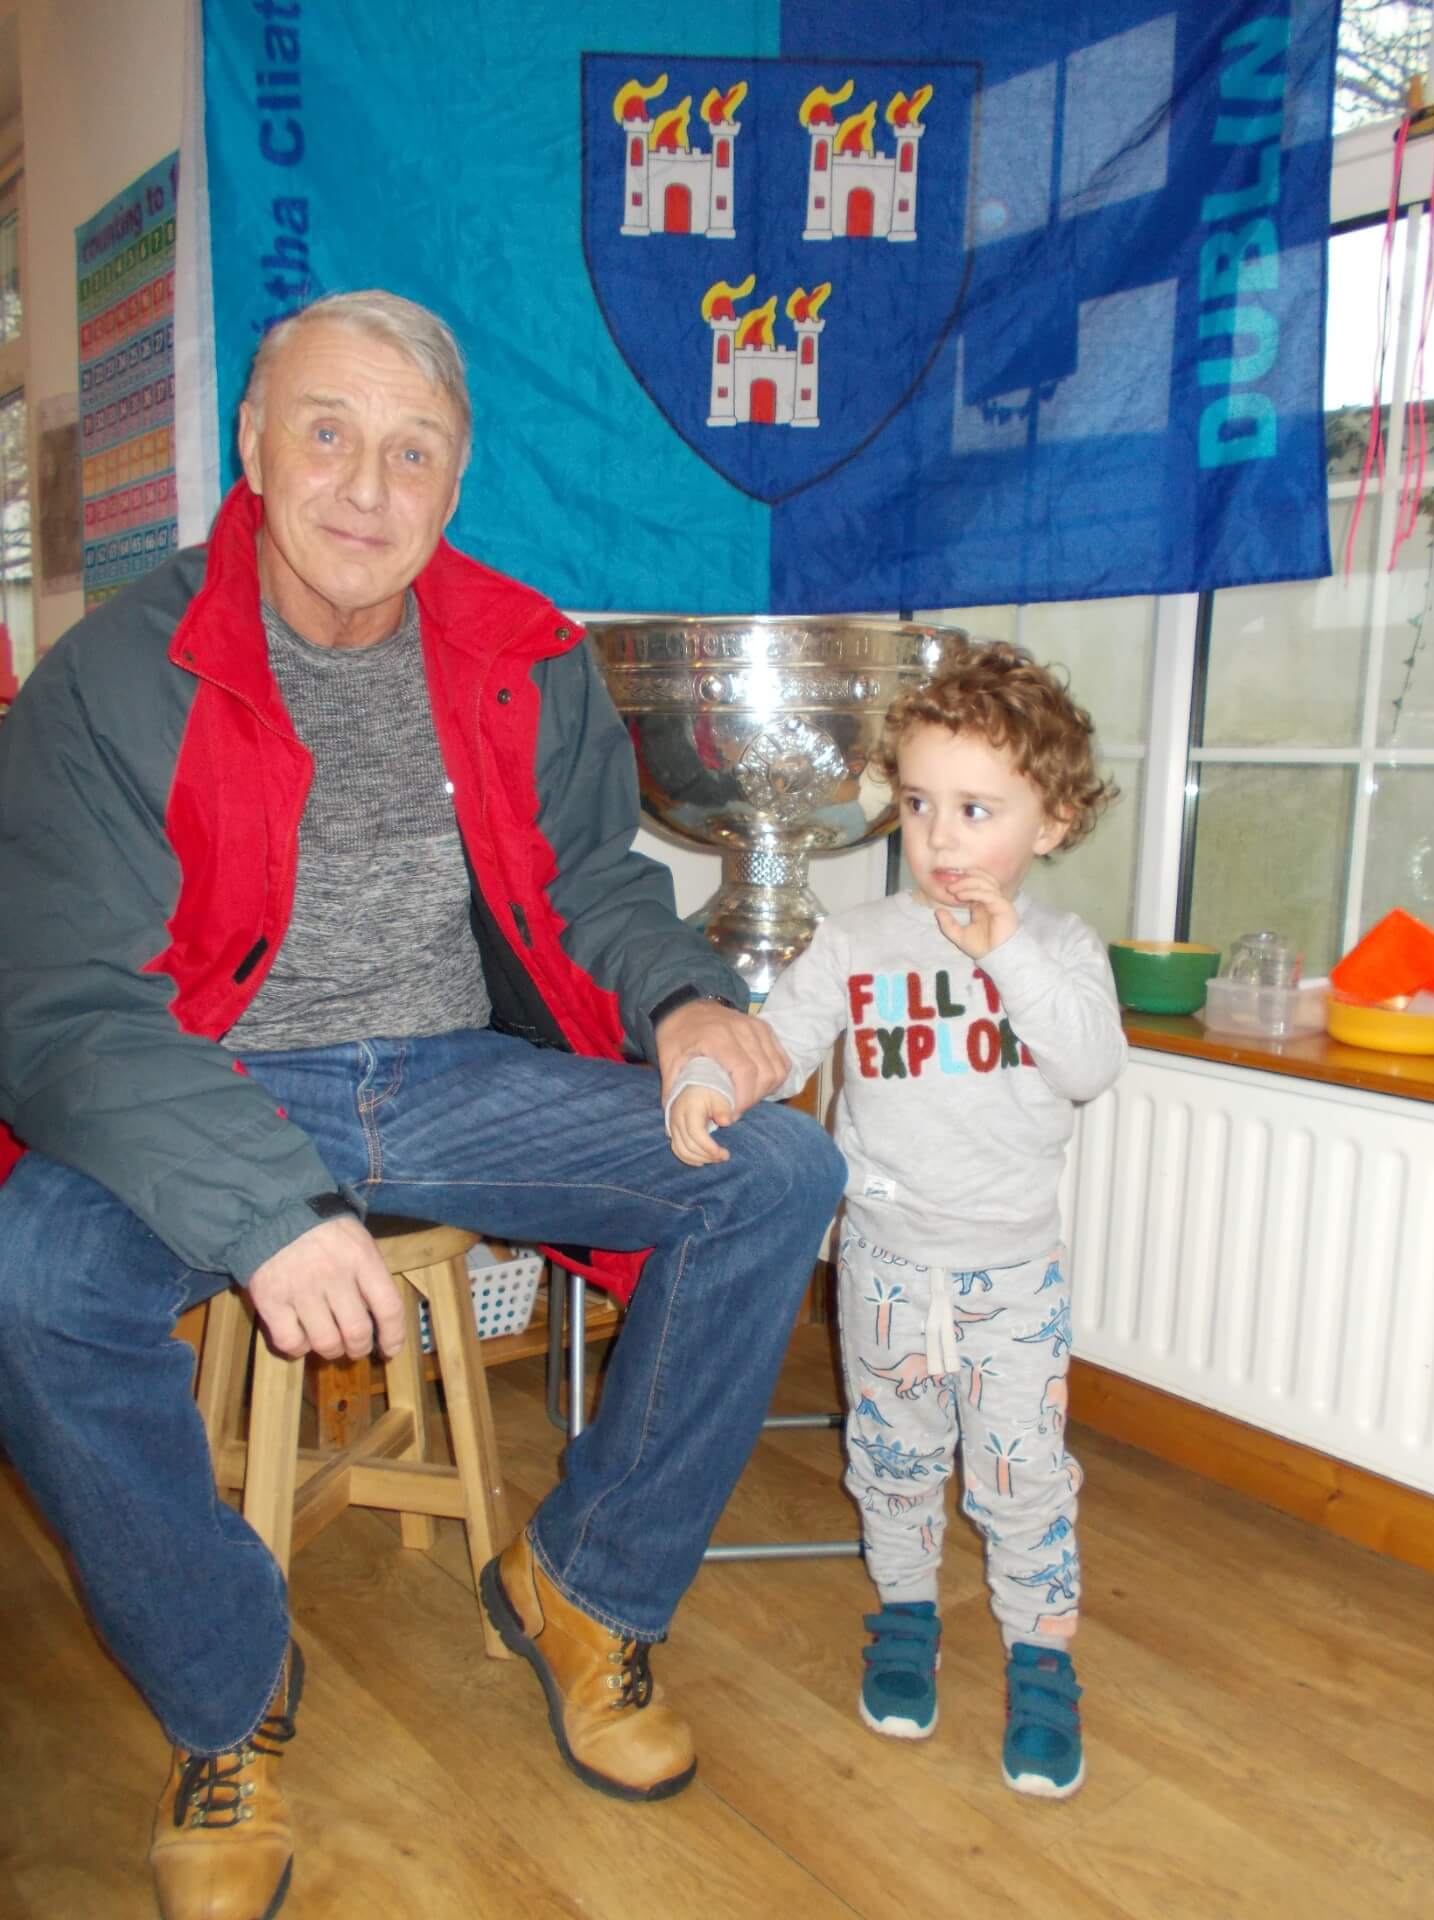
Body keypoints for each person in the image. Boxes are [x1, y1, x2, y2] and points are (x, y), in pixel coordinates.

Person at [0, 290, 845, 1920]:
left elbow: (592, 883)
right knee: (31, 1274)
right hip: (214, 1077)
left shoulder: (526, 653)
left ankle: (587, 1586)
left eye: (413, 451)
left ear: (456, 480)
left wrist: (683, 1004)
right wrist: (265, 1211)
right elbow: (55, 1005)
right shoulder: (111, 677)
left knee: (777, 1173)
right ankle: (224, 1688)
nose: (366, 487)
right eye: (327, 433)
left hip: (459, 1074)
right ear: (254, 445)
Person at [667, 642, 1126, 1799]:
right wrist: (712, 1079)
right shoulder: (859, 942)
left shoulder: (1062, 952)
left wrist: (1004, 951)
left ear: (1051, 822)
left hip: (1007, 1274)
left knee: (1020, 1476)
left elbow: (1086, 1065)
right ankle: (907, 1614)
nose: (939, 839)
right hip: (880, 1263)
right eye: (918, 805)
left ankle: (1039, 1657)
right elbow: (782, 1046)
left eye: (975, 810)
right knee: (891, 1458)